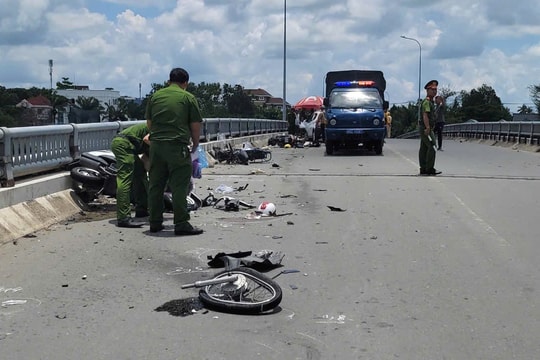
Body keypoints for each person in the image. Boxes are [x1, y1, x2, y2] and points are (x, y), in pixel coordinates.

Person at [145, 68, 203, 236]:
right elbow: (195, 125)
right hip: (177, 146)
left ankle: (155, 222)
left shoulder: (155, 96)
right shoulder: (188, 97)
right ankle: (181, 223)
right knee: (179, 185)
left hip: (156, 146)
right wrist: (195, 145)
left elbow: (149, 123)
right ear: (185, 83)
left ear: (169, 81)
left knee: (156, 184)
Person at [111, 123, 150, 228]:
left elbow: (146, 161)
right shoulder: (160, 127)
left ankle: (142, 209)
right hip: (124, 144)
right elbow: (147, 139)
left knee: (140, 173)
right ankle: (123, 217)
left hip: (127, 145)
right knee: (125, 180)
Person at [418, 80, 442, 176]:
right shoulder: (427, 102)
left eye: (435, 90)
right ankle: (429, 168)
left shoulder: (431, 102)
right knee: (432, 146)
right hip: (425, 128)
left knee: (424, 148)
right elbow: (425, 115)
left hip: (425, 127)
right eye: (432, 90)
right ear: (427, 90)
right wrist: (428, 128)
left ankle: (423, 168)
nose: (434, 92)